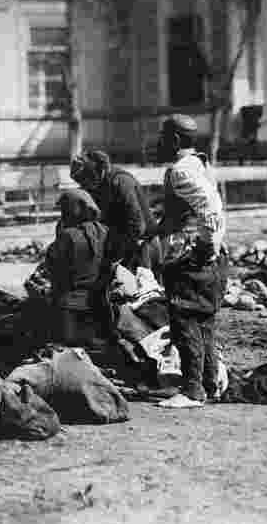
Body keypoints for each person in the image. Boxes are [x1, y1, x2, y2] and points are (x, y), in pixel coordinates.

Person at [152, 114, 227, 409]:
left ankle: (193, 390)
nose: (159, 143)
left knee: (184, 320)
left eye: (163, 137)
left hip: (188, 255)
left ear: (174, 140)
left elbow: (210, 210)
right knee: (203, 322)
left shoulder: (181, 170)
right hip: (204, 254)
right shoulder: (200, 163)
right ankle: (209, 383)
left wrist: (205, 247)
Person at [70, 149, 159, 276]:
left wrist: (119, 257)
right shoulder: (95, 185)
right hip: (121, 242)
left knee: (142, 288)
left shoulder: (121, 182)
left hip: (143, 245)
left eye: (86, 180)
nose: (85, 185)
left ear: (99, 171)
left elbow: (137, 226)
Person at [44, 188, 111, 351]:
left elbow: (53, 267)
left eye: (64, 209)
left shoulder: (68, 236)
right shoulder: (104, 231)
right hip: (100, 305)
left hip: (70, 309)